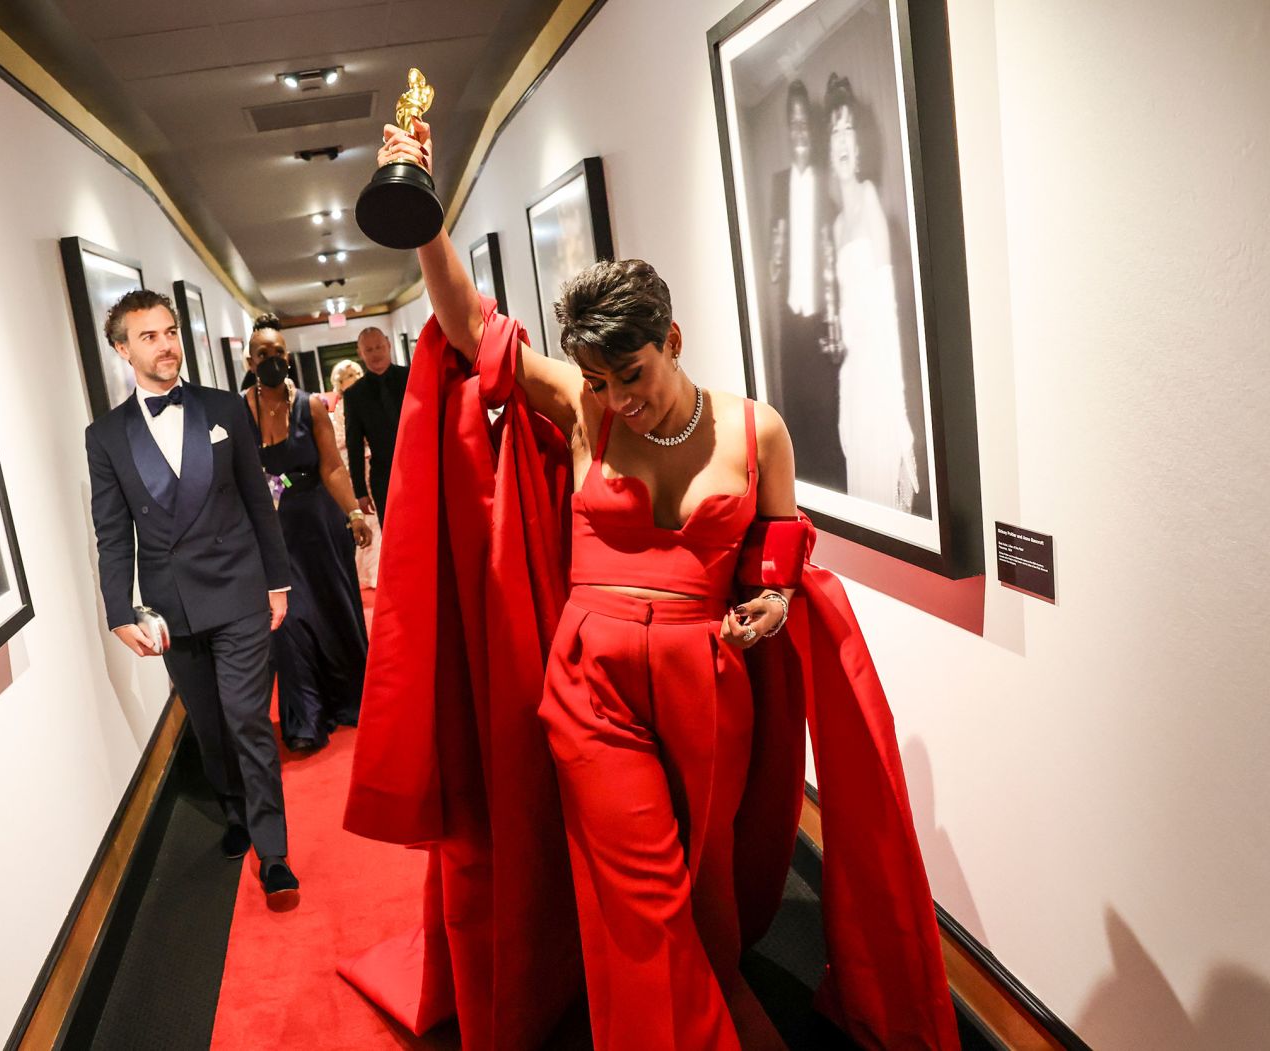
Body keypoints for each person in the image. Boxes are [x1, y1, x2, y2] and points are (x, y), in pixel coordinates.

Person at [344, 118, 958, 1051]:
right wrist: (425, 215)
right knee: (641, 893)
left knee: (700, 889)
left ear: (671, 337)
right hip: (590, 689)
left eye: (632, 372)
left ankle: (686, 1003)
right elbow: (472, 326)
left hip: (709, 689)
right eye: (599, 377)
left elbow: (782, 542)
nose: (618, 396)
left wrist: (777, 599)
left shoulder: (760, 432)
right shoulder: (588, 410)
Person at [85, 290, 299, 901]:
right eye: (149, 336)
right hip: (171, 606)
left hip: (237, 590)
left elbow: (259, 501)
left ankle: (274, 850)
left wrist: (277, 582)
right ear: (123, 350)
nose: (167, 345)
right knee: (208, 724)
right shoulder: (106, 436)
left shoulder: (224, 407)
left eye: (171, 331)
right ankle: (233, 811)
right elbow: (111, 531)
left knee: (248, 720)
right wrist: (118, 611)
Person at [244, 315, 373, 752]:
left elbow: (333, 467)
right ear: (250, 360)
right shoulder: (240, 410)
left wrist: (354, 513)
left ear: (288, 356)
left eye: (278, 353)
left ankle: (349, 701)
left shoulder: (310, 406)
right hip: (274, 530)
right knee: (290, 621)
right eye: (263, 355)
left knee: (333, 610)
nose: (272, 361)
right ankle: (306, 719)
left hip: (317, 521)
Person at [825, 72, 920, 511]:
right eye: (834, 131)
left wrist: (901, 423)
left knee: (889, 504)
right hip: (855, 386)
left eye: (848, 130)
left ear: (859, 145)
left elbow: (890, 318)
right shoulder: (838, 224)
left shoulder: (870, 203)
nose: (842, 141)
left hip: (881, 381)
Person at [768, 79, 846, 491]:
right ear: (788, 130)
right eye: (793, 124)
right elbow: (772, 259)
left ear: (812, 132)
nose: (800, 131)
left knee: (826, 416)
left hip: (819, 321)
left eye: (804, 123)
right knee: (794, 416)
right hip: (789, 323)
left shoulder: (827, 181)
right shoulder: (779, 185)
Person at [341, 326, 408, 523]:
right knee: (394, 535)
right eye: (369, 350)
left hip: (422, 468)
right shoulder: (354, 395)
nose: (375, 354)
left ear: (388, 344)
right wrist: (360, 491)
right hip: (384, 477)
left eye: (379, 347)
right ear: (360, 353)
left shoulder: (411, 377)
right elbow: (354, 445)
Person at [329, 359, 381, 589]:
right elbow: (341, 439)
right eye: (348, 377)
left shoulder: (366, 399)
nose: (353, 381)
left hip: (371, 462)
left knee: (376, 516)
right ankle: (371, 571)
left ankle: (378, 567)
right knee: (366, 516)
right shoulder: (341, 406)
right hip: (353, 464)